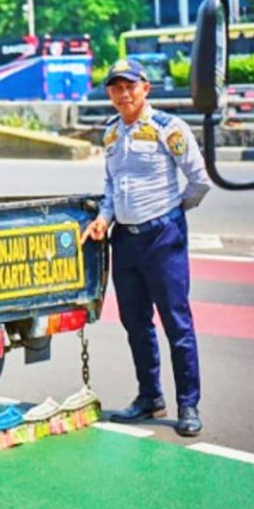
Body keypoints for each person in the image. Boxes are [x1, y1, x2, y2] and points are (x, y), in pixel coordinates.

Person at [81, 59, 211, 437]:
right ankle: (150, 397)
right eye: (116, 88)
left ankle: (188, 404)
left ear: (145, 88)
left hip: (162, 238)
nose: (123, 94)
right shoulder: (111, 133)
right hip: (124, 240)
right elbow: (111, 185)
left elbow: (199, 181)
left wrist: (172, 212)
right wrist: (104, 217)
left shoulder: (168, 128)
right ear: (109, 93)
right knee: (135, 322)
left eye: (130, 87)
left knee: (177, 323)